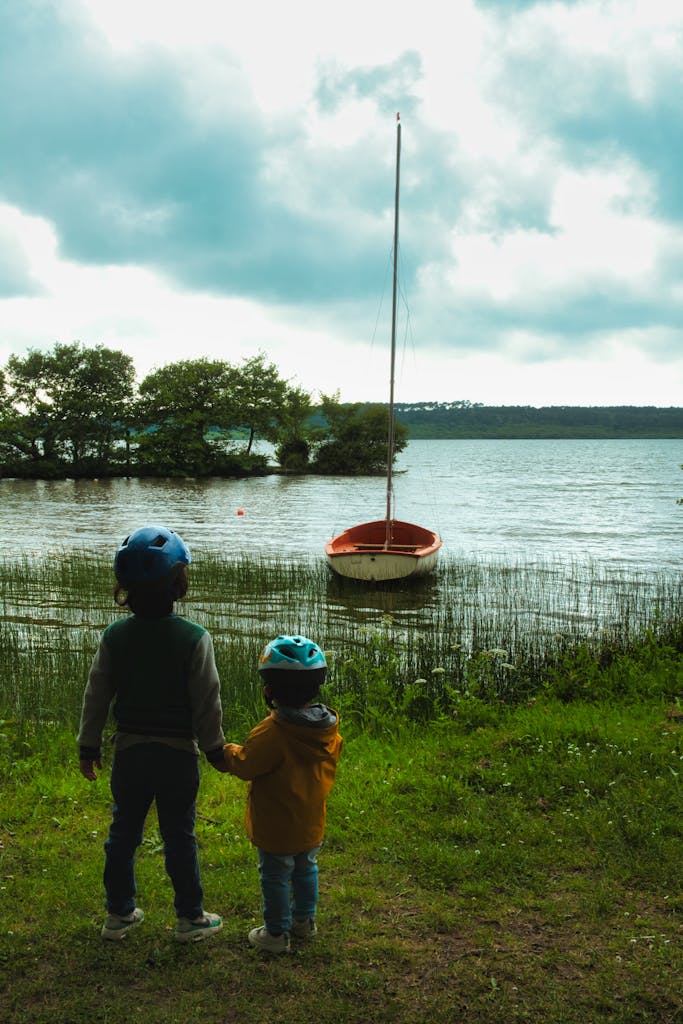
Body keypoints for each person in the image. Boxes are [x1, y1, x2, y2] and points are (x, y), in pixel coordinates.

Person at [78, 525, 226, 943]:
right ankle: (190, 918)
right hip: (178, 755)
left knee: (122, 834)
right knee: (179, 835)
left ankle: (118, 915)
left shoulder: (114, 637)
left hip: (129, 754)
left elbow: (96, 696)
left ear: (124, 588)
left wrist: (88, 745)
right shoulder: (195, 638)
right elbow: (207, 701)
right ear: (179, 584)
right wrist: (215, 748)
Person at [221, 634, 342, 953]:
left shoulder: (272, 731)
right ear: (316, 688)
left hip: (276, 825)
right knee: (306, 869)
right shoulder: (329, 729)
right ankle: (304, 922)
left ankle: (275, 934)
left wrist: (227, 751)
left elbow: (246, 764)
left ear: (269, 690)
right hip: (310, 822)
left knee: (275, 876)